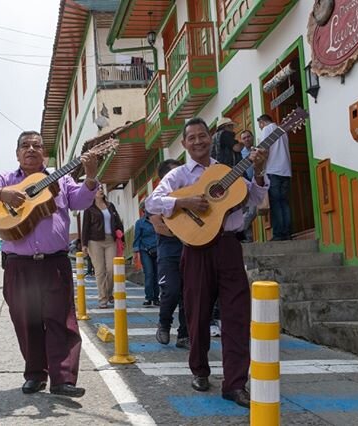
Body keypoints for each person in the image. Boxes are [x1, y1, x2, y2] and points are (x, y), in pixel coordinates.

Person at [146, 117, 268, 408]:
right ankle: (200, 370)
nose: (198, 141)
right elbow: (152, 202)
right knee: (198, 313)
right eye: (192, 138)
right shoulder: (178, 175)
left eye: (203, 136)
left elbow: (253, 197)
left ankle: (235, 383)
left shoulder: (224, 171)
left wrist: (260, 171)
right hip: (196, 248)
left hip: (228, 246)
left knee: (237, 315)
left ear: (210, 139)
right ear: (185, 144)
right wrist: (184, 203)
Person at [0, 130, 100, 398]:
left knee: (62, 320)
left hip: (54, 263)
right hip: (19, 265)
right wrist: (2, 194)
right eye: (25, 146)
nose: (31, 149)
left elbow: (81, 200)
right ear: (17, 153)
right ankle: (35, 375)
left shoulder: (62, 179)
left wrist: (90, 177)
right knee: (26, 321)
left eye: (37, 146)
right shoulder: (6, 179)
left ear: (44, 152)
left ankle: (63, 379)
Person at [151, 159, 190, 349]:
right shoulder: (156, 200)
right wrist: (183, 232)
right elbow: (160, 227)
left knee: (189, 294)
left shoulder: (189, 193)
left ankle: (185, 334)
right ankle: (164, 324)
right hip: (169, 252)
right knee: (172, 290)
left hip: (191, 249)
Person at [82, 187, 124, 309]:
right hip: (94, 241)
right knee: (100, 271)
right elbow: (85, 227)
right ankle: (103, 298)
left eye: (100, 188)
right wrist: (84, 244)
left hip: (110, 240)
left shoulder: (110, 206)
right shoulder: (89, 209)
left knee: (111, 270)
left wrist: (122, 239)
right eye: (97, 189)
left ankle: (109, 293)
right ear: (92, 194)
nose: (100, 190)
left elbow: (118, 222)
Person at [258, 114, 292, 241]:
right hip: (285, 170)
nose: (260, 128)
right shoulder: (282, 131)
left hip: (273, 170)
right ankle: (287, 232)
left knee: (276, 203)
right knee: (284, 202)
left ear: (262, 122)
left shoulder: (267, 129)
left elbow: (263, 150)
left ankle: (278, 234)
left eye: (260, 125)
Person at [133, 206, 159, 306]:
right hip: (145, 250)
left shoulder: (158, 220)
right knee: (149, 273)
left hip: (157, 249)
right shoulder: (140, 223)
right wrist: (136, 252)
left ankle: (156, 298)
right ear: (143, 210)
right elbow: (137, 238)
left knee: (157, 274)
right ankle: (148, 297)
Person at [239, 129, 257, 243]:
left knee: (252, 212)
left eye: (248, 137)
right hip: (244, 185)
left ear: (252, 137)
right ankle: (248, 239)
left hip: (256, 184)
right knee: (244, 211)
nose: (247, 139)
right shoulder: (240, 154)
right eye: (244, 138)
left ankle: (238, 229)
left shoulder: (258, 150)